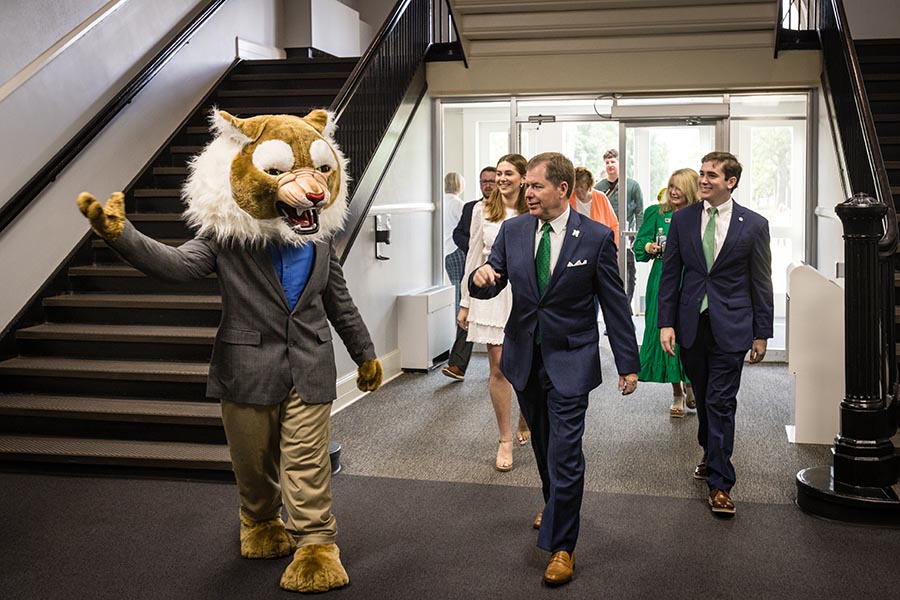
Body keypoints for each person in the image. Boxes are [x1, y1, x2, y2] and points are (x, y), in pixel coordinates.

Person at [469, 152, 639, 586]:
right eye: (526, 186)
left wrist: (627, 363)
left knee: (566, 452)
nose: (527, 192)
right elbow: (493, 278)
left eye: (536, 186)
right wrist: (482, 277)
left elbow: (615, 305)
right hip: (525, 358)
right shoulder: (514, 229)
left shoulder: (596, 238)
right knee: (544, 447)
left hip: (572, 359)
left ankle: (563, 545)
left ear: (562, 190)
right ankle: (555, 503)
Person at [658, 151, 773, 516]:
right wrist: (665, 322)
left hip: (732, 324)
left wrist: (762, 332)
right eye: (703, 173)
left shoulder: (753, 224)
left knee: (721, 400)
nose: (703, 180)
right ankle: (710, 450)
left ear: (731, 182)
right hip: (692, 323)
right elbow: (670, 274)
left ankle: (721, 483)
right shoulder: (682, 220)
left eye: (712, 175)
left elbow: (761, 281)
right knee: (705, 395)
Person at [458, 155, 531, 470]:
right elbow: (474, 255)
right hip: (491, 292)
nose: (501, 179)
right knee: (499, 369)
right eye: (498, 173)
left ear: (523, 178)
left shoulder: (534, 208)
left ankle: (525, 419)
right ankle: (504, 439)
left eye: (508, 173)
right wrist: (466, 301)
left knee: (528, 368)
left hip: (526, 293)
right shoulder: (482, 209)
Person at [633, 169, 699, 418]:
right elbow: (639, 245)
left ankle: (691, 383)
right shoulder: (656, 213)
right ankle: (677, 393)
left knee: (689, 334)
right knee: (666, 334)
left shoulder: (699, 215)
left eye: (679, 187)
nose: (673, 191)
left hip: (690, 280)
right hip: (662, 280)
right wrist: (650, 246)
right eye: (671, 186)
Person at [442, 166, 496, 382]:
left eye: (492, 181)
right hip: (475, 268)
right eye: (484, 181)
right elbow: (458, 234)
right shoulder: (471, 208)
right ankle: (457, 365)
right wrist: (474, 247)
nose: (488, 185)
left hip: (501, 271)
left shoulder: (511, 208)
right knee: (469, 311)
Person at [594, 148, 643, 306]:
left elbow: (639, 212)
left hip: (626, 237)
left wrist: (638, 236)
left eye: (613, 161)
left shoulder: (632, 186)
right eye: (607, 162)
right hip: (604, 237)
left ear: (620, 163)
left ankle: (626, 307)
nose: (610, 165)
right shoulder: (598, 187)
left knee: (628, 273)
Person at [570, 166, 619, 247]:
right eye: (576, 187)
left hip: (598, 246)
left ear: (589, 186)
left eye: (582, 187)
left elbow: (614, 225)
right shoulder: (568, 199)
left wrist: (615, 247)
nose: (578, 191)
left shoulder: (601, 198)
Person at [442, 172, 466, 315]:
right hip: (456, 249)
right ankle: (459, 323)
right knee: (460, 289)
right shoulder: (457, 204)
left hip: (446, 250)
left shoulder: (441, 202)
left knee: (455, 285)